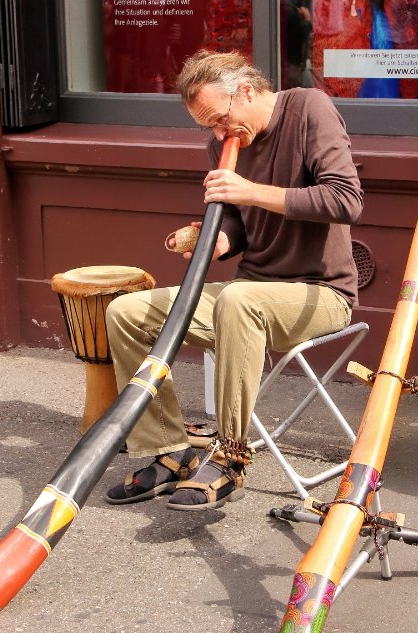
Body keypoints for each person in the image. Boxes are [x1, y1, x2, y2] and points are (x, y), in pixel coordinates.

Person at [104, 49, 363, 511]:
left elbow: (345, 200)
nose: (219, 135)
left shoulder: (309, 109)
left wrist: (250, 191)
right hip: (250, 291)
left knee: (238, 301)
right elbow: (241, 221)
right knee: (125, 312)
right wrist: (220, 238)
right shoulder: (224, 144)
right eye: (208, 127)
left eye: (220, 120)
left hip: (321, 293)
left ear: (245, 91)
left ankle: (230, 458)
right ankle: (169, 450)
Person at [279, 0, 312, 89]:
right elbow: (295, 37)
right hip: (290, 65)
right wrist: (307, 21)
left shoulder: (295, 0)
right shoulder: (285, 3)